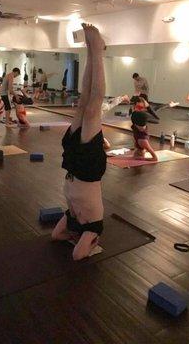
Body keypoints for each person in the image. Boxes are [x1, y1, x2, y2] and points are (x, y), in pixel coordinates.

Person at [52, 23, 107, 261]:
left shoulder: (73, 220)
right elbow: (78, 255)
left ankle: (90, 49)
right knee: (94, 106)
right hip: (87, 170)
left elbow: (56, 236)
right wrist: (88, 241)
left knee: (84, 100)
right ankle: (97, 50)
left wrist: (72, 234)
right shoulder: (93, 226)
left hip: (73, 165)